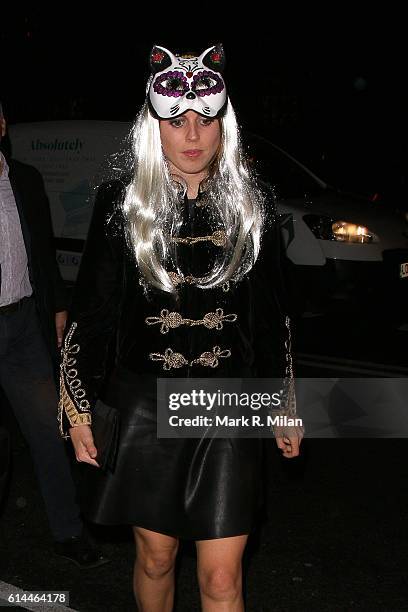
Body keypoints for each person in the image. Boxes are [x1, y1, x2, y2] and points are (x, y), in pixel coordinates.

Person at [59, 44, 304, 610]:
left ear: (224, 123)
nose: (192, 134)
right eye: (177, 120)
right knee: (156, 558)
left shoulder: (254, 204)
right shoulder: (121, 203)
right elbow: (92, 314)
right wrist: (77, 409)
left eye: (205, 118)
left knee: (221, 580)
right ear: (155, 127)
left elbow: (272, 318)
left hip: (228, 406)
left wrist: (285, 402)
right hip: (145, 404)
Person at [0, 100, 108, 568]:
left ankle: (67, 531)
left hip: (23, 323)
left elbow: (40, 250)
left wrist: (59, 305)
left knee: (50, 430)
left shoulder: (24, 177)